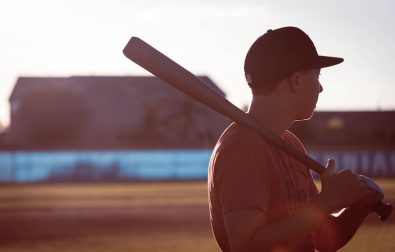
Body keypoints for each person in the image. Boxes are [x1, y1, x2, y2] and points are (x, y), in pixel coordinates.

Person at [208, 27, 384, 252]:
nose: (320, 87)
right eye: (317, 75)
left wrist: (358, 204)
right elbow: (246, 246)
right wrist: (328, 201)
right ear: (297, 80)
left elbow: (323, 239)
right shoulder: (242, 147)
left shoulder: (290, 144)